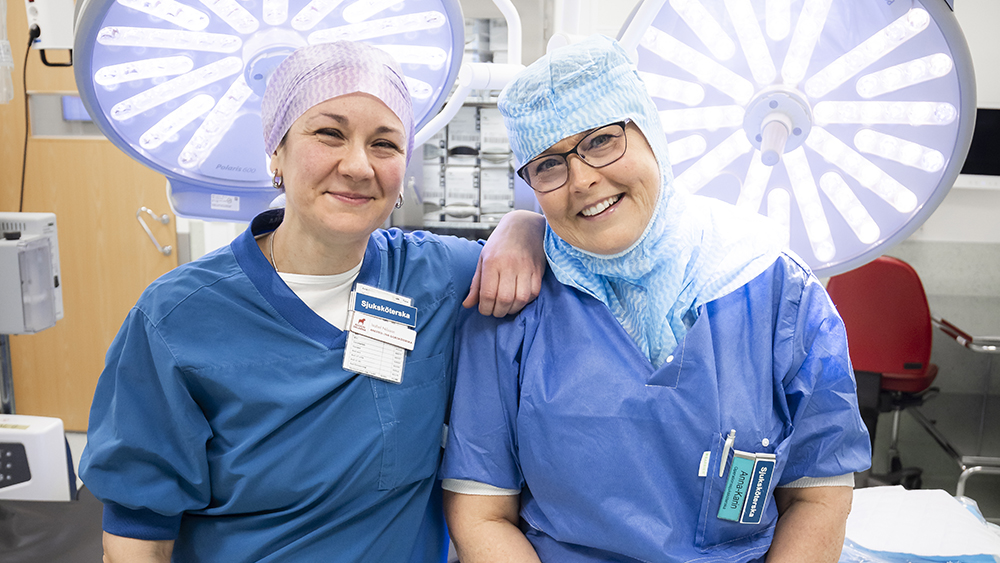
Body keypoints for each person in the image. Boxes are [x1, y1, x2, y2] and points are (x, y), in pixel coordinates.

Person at [79, 41, 546, 563]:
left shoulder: (435, 277)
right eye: (330, 133)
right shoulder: (176, 318)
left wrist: (524, 226)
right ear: (276, 150)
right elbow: (137, 532)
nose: (358, 165)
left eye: (385, 144)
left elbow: (560, 250)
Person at [440, 35, 872, 563]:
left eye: (601, 140)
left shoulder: (777, 290)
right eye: (548, 164)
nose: (582, 180)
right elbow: (482, 513)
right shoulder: (510, 308)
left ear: (651, 133)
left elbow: (817, 494)